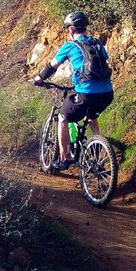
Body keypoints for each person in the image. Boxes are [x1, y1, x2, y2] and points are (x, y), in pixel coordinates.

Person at [33, 11, 114, 171]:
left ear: (71, 30)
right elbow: (103, 61)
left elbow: (52, 66)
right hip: (106, 93)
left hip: (85, 93)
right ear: (85, 28)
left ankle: (65, 158)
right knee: (92, 117)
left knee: (63, 117)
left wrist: (39, 79)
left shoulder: (69, 46)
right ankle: (98, 146)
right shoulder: (97, 43)